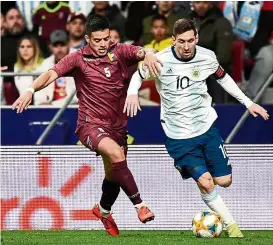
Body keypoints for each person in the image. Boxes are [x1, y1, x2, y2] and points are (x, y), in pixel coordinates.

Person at [12, 14, 161, 237]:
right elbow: (50, 74)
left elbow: (141, 51)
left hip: (117, 127)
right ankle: (140, 206)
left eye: (106, 39)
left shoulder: (119, 51)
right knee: (116, 154)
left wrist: (148, 53)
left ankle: (103, 210)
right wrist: (30, 90)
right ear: (87, 39)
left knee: (114, 174)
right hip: (89, 125)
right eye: (98, 40)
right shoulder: (77, 58)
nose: (103, 44)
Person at [124, 19, 269, 238]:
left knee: (224, 181)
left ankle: (202, 181)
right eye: (181, 41)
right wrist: (132, 93)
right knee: (207, 182)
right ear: (173, 40)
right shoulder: (161, 60)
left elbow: (223, 78)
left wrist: (248, 103)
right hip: (179, 136)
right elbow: (137, 75)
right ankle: (232, 226)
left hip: (207, 128)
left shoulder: (207, 57)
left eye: (190, 41)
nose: (186, 46)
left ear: (197, 39)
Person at [191, 1, 234, 103]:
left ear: (211, 4)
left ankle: (219, 112)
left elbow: (223, 56)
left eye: (205, 2)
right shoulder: (188, 21)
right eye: (197, 2)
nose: (201, 5)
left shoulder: (221, 23)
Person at [33, 30, 78, 106]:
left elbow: (79, 97)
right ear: (50, 47)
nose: (59, 49)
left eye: (62, 45)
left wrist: (54, 104)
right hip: (50, 109)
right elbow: (38, 96)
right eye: (55, 46)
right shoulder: (45, 65)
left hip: (74, 108)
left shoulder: (79, 59)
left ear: (68, 44)